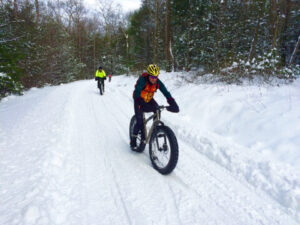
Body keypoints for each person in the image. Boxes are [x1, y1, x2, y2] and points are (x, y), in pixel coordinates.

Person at [131, 64, 179, 149]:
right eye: (152, 77)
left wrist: (172, 103)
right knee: (139, 121)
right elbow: (137, 92)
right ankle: (133, 139)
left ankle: (155, 130)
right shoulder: (142, 80)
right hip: (139, 100)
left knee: (157, 110)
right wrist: (141, 103)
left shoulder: (158, 82)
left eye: (156, 77)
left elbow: (166, 92)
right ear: (149, 75)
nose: (154, 79)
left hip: (149, 99)